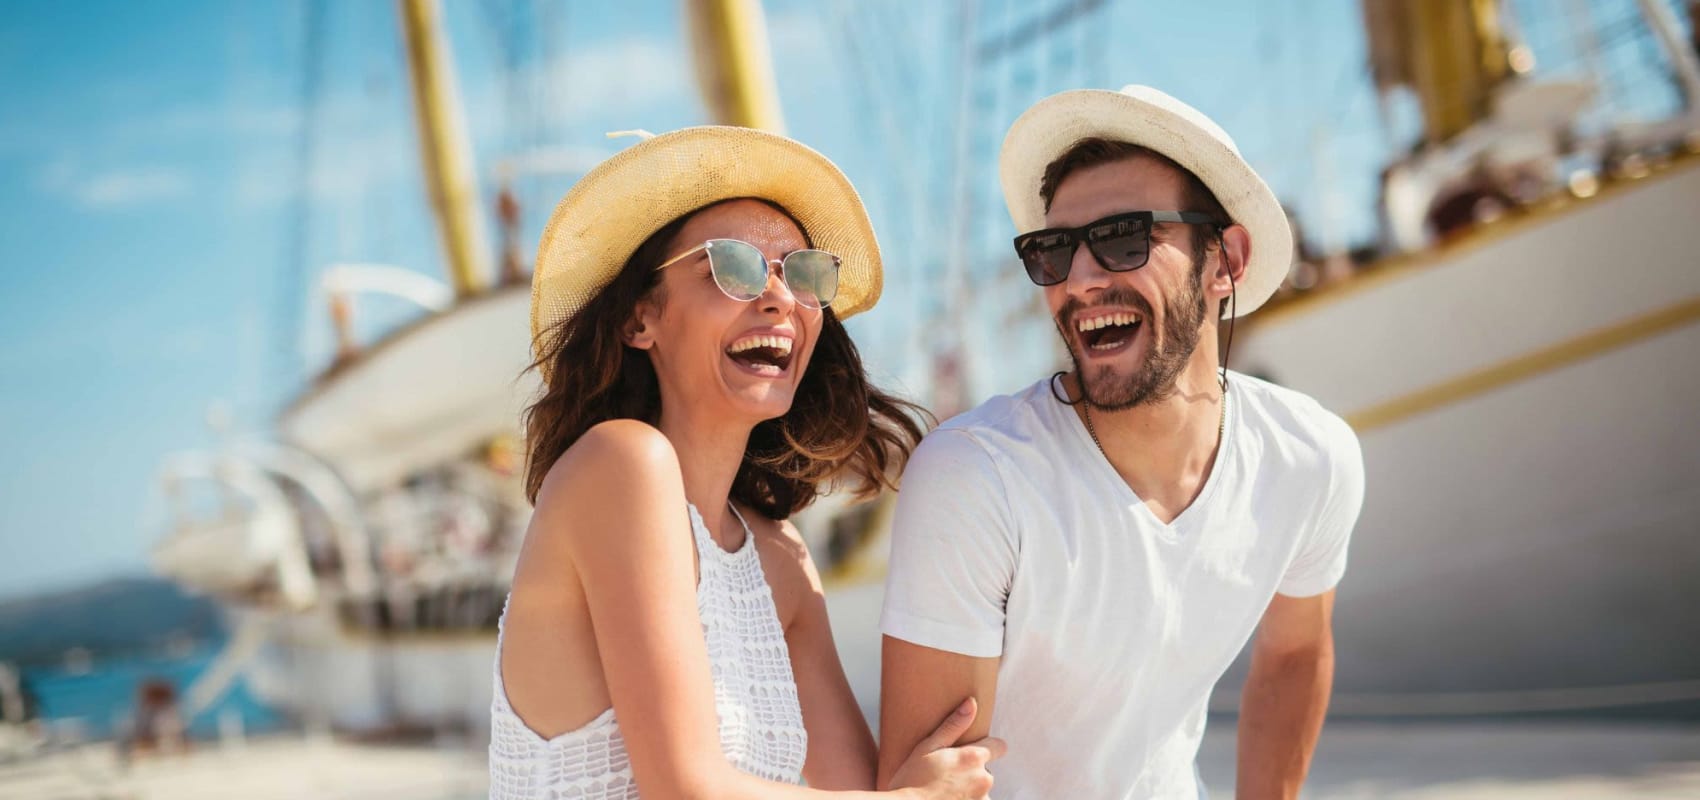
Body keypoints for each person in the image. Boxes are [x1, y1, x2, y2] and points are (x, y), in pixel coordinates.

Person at [878, 86, 1366, 799]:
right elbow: (924, 781)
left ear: (1225, 258)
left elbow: (1295, 652)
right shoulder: (978, 478)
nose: (1079, 280)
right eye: (1052, 251)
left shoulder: (1309, 457)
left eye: (1122, 238)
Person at [492, 126, 1003, 800]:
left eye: (806, 274)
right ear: (640, 319)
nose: (780, 297)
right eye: (732, 267)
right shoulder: (619, 463)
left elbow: (859, 790)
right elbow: (684, 788)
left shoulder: (777, 560)